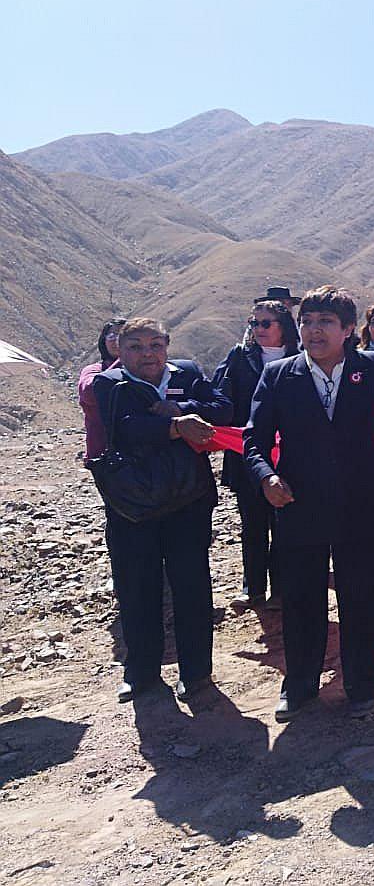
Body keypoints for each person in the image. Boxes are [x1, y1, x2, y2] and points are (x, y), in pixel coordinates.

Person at [244, 286, 374, 722]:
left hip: (361, 506)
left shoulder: (373, 371)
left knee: (362, 599)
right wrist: (266, 476)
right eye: (308, 321)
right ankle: (300, 685)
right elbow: (253, 439)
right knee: (300, 599)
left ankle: (361, 685)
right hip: (299, 505)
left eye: (326, 322)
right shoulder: (279, 376)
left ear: (349, 330)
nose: (314, 330)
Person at [93, 318, 230, 703]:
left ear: (167, 345)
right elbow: (123, 427)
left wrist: (180, 408)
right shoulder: (109, 384)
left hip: (189, 499)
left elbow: (223, 407)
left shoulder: (185, 373)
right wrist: (176, 428)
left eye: (155, 344)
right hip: (133, 505)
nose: (147, 353)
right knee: (137, 587)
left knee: (192, 584)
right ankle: (141, 672)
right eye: (135, 346)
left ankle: (197, 672)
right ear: (120, 350)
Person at [213, 299, 300, 609]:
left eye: (266, 323)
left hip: (291, 453)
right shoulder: (239, 357)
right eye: (255, 323)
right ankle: (253, 588)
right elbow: (220, 397)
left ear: (283, 327)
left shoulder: (301, 358)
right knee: (252, 522)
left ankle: (281, 589)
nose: (259, 329)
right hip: (247, 450)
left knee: (284, 522)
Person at [79, 318, 125, 466]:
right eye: (112, 336)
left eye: (124, 336)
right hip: (103, 456)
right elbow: (89, 393)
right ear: (103, 341)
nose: (118, 340)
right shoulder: (94, 370)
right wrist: (124, 359)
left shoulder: (147, 372)